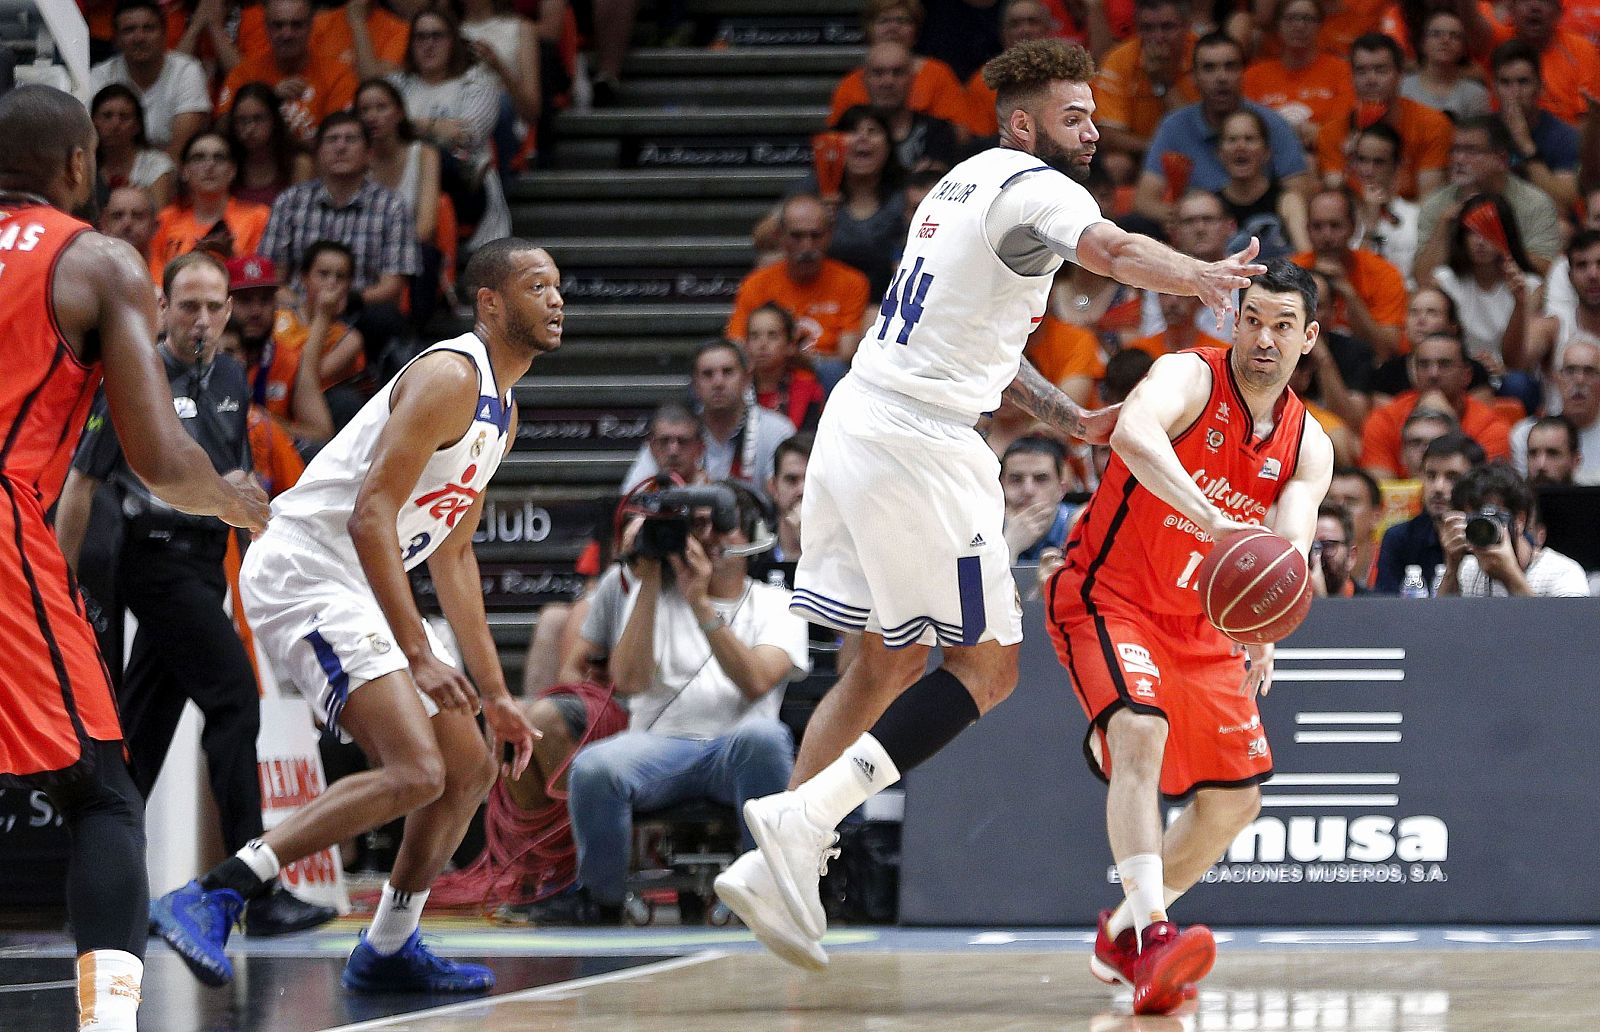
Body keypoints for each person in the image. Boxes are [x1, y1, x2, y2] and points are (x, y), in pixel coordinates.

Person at [713, 37, 1263, 974]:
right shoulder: (1045, 190)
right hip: (922, 441)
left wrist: (1065, 418)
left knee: (884, 662)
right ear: (1023, 123)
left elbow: (983, 340)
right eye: (1073, 116)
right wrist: (1202, 277)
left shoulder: (960, 186)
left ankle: (778, 866)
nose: (1091, 131)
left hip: (861, 415)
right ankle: (802, 820)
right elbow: (1116, 250)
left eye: (1093, 114)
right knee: (987, 669)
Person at [149, 238, 549, 992]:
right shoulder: (448, 374)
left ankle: (390, 945)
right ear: (491, 303)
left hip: (358, 579)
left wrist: (496, 694)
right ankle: (213, 892)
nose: (557, 299)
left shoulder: (504, 411)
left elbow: (454, 557)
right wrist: (420, 652)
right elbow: (371, 516)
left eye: (558, 286)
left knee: (466, 769)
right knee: (414, 768)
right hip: (307, 568)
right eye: (538, 285)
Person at [0, 83, 268, 1032]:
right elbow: (157, 458)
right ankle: (109, 1025)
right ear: (80, 166)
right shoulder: (99, 263)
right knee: (102, 796)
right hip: (5, 520)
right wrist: (229, 496)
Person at [1044, 260, 1332, 1013]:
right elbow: (1134, 433)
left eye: (1281, 326)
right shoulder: (1188, 378)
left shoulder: (1309, 445)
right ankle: (1154, 938)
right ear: (1234, 322)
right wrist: (1212, 517)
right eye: (1252, 320)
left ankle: (1128, 933)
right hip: (1111, 595)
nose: (1263, 338)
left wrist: (1266, 621)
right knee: (1138, 732)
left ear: (1309, 339)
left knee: (1236, 806)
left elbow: (1288, 549)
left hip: (1202, 628)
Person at [54, 252, 336, 939]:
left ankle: (100, 893)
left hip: (208, 568)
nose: (204, 319)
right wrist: (62, 587)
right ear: (160, 307)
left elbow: (236, 484)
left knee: (141, 738)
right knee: (237, 703)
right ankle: (254, 895)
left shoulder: (235, 376)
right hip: (152, 562)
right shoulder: (131, 378)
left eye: (215, 306)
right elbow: (82, 488)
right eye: (189, 306)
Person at [522, 483, 809, 928]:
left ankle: (767, 888)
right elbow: (630, 682)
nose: (709, 539)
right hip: (660, 746)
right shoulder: (649, 595)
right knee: (596, 767)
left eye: (722, 528)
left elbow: (755, 680)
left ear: (751, 536)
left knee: (768, 737)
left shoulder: (777, 603)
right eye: (697, 528)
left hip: (736, 750)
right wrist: (651, 580)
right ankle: (602, 898)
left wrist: (700, 605)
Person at [259, 112, 419, 368]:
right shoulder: (290, 201)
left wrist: (346, 299)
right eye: (332, 140)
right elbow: (272, 277)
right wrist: (307, 304)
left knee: (387, 318)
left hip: (359, 308)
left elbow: (392, 286)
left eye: (350, 139)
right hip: (296, 308)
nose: (341, 146)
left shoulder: (392, 206)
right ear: (318, 153)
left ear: (368, 154)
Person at [1132, 32, 1310, 225]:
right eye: (1209, 68)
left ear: (1243, 73)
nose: (1221, 77)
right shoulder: (1174, 126)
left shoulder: (1272, 123)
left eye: (1230, 67)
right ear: (1194, 78)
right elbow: (1144, 201)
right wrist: (1197, 221)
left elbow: (1300, 192)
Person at [727, 195, 872, 375]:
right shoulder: (756, 283)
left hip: (822, 376)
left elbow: (846, 354)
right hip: (768, 373)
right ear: (779, 236)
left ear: (829, 235)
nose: (807, 246)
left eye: (815, 235)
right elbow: (737, 345)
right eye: (797, 236)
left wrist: (804, 359)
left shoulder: (852, 282)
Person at [622, 340, 797, 489]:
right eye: (707, 374)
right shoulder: (675, 433)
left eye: (727, 372)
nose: (718, 382)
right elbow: (632, 496)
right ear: (695, 384)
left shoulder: (777, 431)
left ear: (746, 379)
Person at [1413, 116, 1562, 283]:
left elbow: (1545, 270)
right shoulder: (1436, 205)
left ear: (1501, 159)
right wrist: (1444, 225)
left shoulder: (1535, 203)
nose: (1459, 159)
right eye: (1455, 150)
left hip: (1514, 291)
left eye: (1471, 151)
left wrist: (1493, 230)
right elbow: (1422, 278)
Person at [1315, 34, 1452, 202]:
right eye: (1361, 71)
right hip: (1357, 216)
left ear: (1400, 74)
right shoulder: (1332, 132)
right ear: (1351, 77)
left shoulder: (1433, 124)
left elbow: (1429, 202)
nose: (1370, 79)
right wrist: (1350, 163)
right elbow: (1337, 196)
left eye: (1380, 70)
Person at [1361, 334, 1512, 477]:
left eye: (1444, 364)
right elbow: (1379, 493)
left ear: (1466, 375)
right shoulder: (1384, 420)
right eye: (1424, 364)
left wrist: (1448, 424)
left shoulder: (1491, 428)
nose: (1433, 374)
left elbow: (1479, 494)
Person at [217, 0, 359, 146]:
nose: (287, 34)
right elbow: (222, 132)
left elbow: (340, 141)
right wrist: (268, 100)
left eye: (296, 25)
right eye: (278, 25)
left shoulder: (338, 74)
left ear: (311, 26)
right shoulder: (244, 73)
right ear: (266, 27)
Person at [1437, 462, 1590, 595]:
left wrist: (1510, 576)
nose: (1483, 527)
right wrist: (1452, 566)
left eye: (1491, 518)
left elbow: (1564, 629)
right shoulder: (1467, 571)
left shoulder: (1564, 573)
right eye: (1475, 520)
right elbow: (1439, 626)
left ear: (1519, 520)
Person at [1291, 188, 1406, 363]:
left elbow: (1389, 350)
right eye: (1317, 226)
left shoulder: (1384, 273)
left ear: (1353, 227)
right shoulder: (1291, 272)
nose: (1326, 236)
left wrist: (1349, 293)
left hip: (1367, 369)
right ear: (1307, 229)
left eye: (1335, 226)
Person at [90, 0, 211, 159]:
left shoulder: (186, 71)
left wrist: (153, 179)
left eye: (148, 28)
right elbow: (91, 140)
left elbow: (180, 150)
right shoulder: (100, 75)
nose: (139, 38)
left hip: (174, 173)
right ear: (116, 39)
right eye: (129, 30)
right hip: (115, 172)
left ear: (164, 34)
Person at [146, 131, 272, 281]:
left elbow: (261, 280)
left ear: (232, 170)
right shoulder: (166, 218)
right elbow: (156, 278)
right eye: (199, 158)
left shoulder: (258, 217)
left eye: (219, 158)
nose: (209, 165)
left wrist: (231, 257)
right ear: (184, 171)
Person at [1374, 431, 1484, 592]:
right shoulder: (1399, 538)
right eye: (1431, 476)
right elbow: (1385, 612)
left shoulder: (1492, 534)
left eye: (1452, 477)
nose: (1438, 488)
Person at [1093, 0, 1198, 160]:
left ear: (1187, 26)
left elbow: (1195, 132)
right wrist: (1160, 150)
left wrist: (1163, 83)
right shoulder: (1118, 60)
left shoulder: (1203, 55)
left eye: (1167, 27)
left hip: (1197, 152)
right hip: (1141, 152)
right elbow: (1109, 135)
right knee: (1116, 163)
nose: (1158, 37)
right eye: (1148, 29)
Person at [1241, 0, 1354, 147]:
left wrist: (1320, 134)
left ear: (1320, 25)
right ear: (1278, 25)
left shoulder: (1342, 71)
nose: (1300, 26)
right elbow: (1246, 129)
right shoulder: (1253, 75)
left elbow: (1341, 127)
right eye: (1291, 18)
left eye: (1308, 19)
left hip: (1325, 156)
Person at [1490, 39, 1580, 212]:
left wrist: (1525, 144)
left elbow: (1565, 200)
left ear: (1540, 87)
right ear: (1494, 88)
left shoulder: (1564, 136)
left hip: (1545, 219)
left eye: (1523, 82)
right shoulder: (1482, 131)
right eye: (1505, 83)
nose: (1514, 92)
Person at [1216, 108, 1309, 262]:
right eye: (1232, 140)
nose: (1240, 146)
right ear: (1220, 153)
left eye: (1249, 139)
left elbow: (1306, 254)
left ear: (1266, 152)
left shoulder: (1288, 201)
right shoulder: (1211, 205)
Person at [1346, 124, 1419, 290]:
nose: (1368, 170)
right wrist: (1370, 227)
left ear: (1397, 165)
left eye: (1378, 162)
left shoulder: (1415, 216)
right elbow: (1353, 280)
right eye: (1362, 160)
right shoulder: (1339, 215)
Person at [1512, 343, 1600, 482]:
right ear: (1556, 378)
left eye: (1589, 371)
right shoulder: (1525, 433)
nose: (1579, 380)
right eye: (1570, 371)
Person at [225, 82, 316, 209]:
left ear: (274, 120)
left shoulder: (298, 164)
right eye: (242, 120)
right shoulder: (226, 163)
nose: (249, 128)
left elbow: (301, 216)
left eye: (258, 119)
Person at [91, 84, 176, 210]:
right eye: (107, 116)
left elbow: (160, 218)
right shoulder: (85, 166)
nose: (115, 124)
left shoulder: (157, 165)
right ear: (94, 122)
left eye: (124, 117)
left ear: (137, 125)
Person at [744, 303, 826, 433]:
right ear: (746, 345)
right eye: (754, 336)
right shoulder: (737, 386)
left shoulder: (808, 387)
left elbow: (808, 440)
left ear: (790, 345)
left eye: (773, 336)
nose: (762, 344)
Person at [1000, 435, 1080, 562]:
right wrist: (1009, 547)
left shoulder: (1080, 525)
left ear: (1061, 489)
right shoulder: (985, 530)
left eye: (1041, 479)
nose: (1028, 490)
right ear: (1001, 487)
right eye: (1016, 479)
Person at [1399, 10, 1490, 120]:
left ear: (1463, 47)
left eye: (1454, 36)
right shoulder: (1402, 89)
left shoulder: (1476, 94)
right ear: (1422, 43)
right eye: (1436, 34)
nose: (1445, 40)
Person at [624, 403, 707, 490]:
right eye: (664, 441)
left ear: (699, 448)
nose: (673, 452)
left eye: (683, 442)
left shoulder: (715, 497)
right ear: (652, 448)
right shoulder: (638, 494)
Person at [1327, 465, 1382, 587]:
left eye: (1351, 502)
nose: (1339, 509)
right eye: (1331, 502)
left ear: (1375, 517)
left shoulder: (1391, 560)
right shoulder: (1311, 564)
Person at [1310, 501, 1369, 596]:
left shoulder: (1375, 607)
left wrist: (1320, 602)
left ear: (1351, 556)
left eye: (1327, 545)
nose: (1315, 557)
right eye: (1309, 547)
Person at [768, 434, 811, 562]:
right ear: (773, 487)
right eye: (792, 479)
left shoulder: (841, 552)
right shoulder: (755, 553)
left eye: (811, 479)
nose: (802, 490)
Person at [1519, 414, 1583, 485]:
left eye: (1552, 454)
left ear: (1575, 461)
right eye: (1533, 453)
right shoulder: (1512, 496)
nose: (1541, 465)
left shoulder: (1593, 496)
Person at [100, 184, 157, 262]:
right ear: (104, 224)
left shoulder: (170, 273)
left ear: (154, 226)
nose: (127, 224)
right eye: (117, 216)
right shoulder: (88, 271)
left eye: (138, 216)